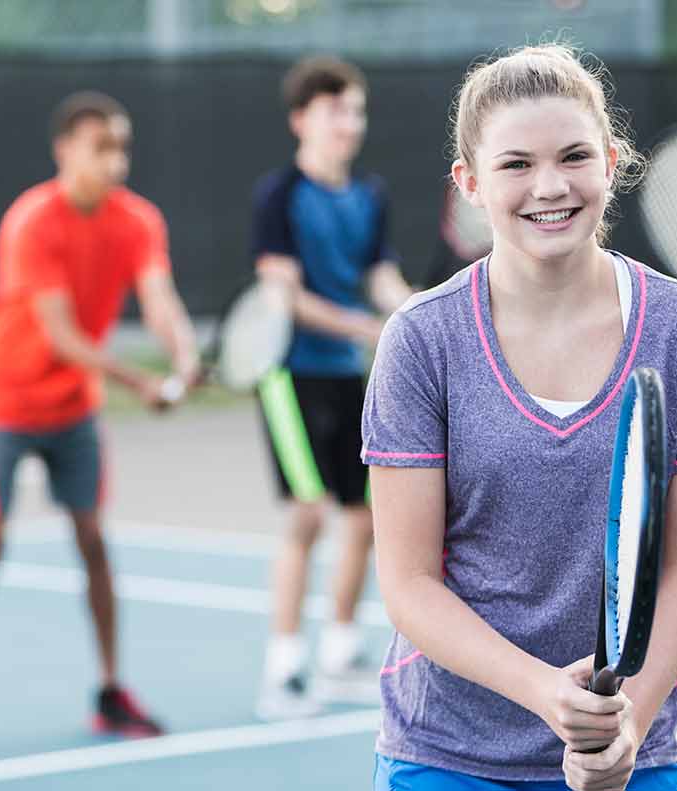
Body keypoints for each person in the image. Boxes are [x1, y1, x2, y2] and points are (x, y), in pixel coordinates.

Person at [362, 44, 677, 790]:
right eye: (515, 164)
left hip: (637, 752)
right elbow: (410, 582)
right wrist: (548, 694)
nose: (550, 185)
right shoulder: (421, 338)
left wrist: (625, 721)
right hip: (447, 755)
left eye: (574, 156)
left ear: (611, 162)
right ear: (469, 183)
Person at [0, 91, 199, 761]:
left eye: (122, 146)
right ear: (65, 151)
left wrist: (185, 357)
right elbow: (62, 333)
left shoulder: (138, 221)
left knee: (93, 541)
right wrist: (138, 381)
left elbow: (159, 299)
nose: (115, 160)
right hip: (3, 402)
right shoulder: (31, 222)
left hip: (73, 409)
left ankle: (109, 688)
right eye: (101, 146)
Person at [250, 55, 413, 720]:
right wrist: (362, 325)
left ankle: (339, 649)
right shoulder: (280, 194)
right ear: (300, 120)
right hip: (290, 374)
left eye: (355, 110)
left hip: (353, 377)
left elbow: (382, 282)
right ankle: (284, 666)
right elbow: (282, 294)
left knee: (365, 516)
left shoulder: (370, 196)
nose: (348, 122)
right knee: (307, 514)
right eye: (333, 110)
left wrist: (415, 312)